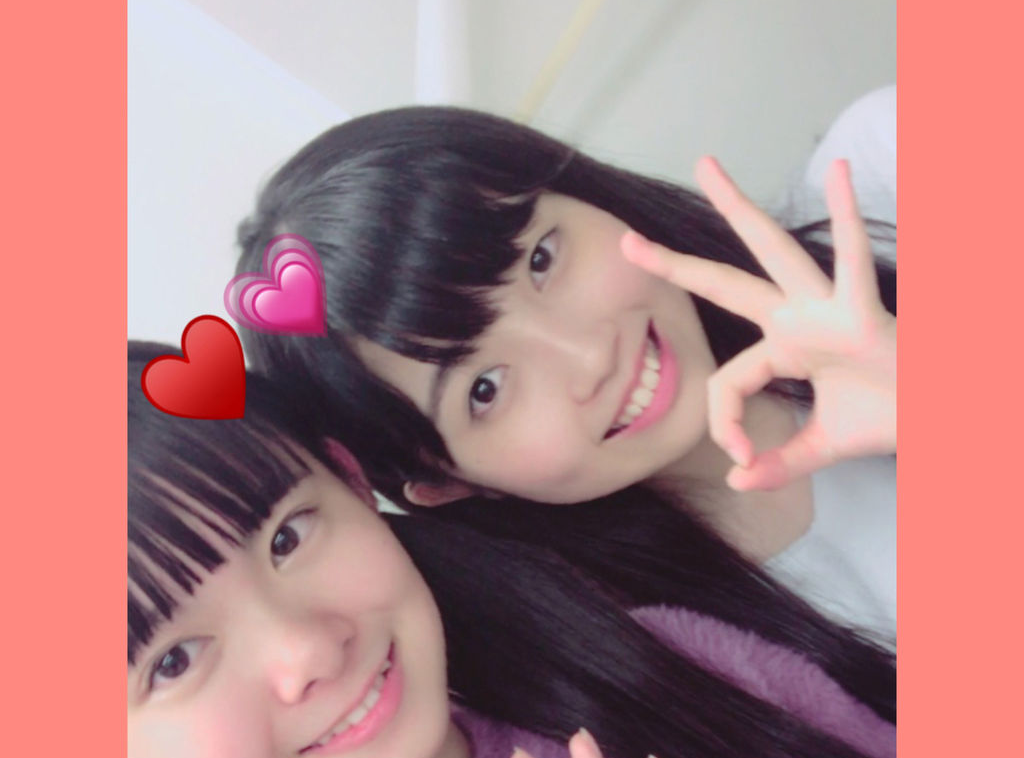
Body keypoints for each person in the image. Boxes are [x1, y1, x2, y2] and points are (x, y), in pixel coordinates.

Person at [127, 343, 895, 758]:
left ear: (354, 486)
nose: (307, 652)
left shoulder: (661, 663)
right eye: (173, 661)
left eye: (287, 538)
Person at [232, 105, 897, 723]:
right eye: (484, 389)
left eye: (541, 260)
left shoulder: (884, 176)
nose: (587, 357)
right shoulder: (672, 683)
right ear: (449, 484)